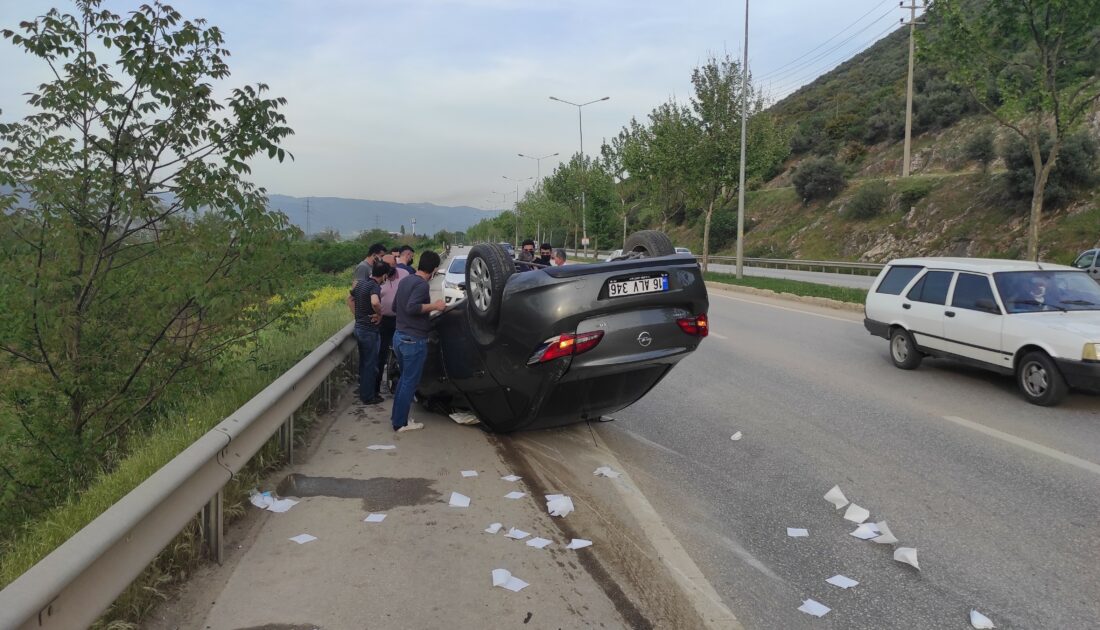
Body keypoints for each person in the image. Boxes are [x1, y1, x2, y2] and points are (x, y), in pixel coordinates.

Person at [390, 250, 446, 432]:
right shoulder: (421, 285)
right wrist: (435, 306)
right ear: (435, 269)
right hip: (413, 341)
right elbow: (412, 307)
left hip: (399, 336)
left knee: (404, 380)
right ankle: (400, 423)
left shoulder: (406, 280)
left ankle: (397, 417)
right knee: (409, 382)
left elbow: (394, 307)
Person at [351, 261, 388, 405]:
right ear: (384, 275)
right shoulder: (374, 286)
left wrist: (358, 315)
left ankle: (363, 391)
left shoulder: (361, 284)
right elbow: (375, 302)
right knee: (370, 364)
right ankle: (368, 396)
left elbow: (350, 299)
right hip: (369, 330)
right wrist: (380, 314)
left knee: (364, 362)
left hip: (359, 327)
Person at [376, 258, 410, 395]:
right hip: (383, 320)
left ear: (395, 265)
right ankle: (376, 387)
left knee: (398, 353)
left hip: (399, 319)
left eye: (390, 265)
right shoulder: (377, 278)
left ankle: (396, 382)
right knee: (381, 353)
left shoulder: (404, 275)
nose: (388, 268)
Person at [347, 243, 387, 315]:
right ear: (374, 255)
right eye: (381, 256)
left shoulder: (374, 266)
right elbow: (357, 288)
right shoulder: (363, 267)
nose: (382, 259)